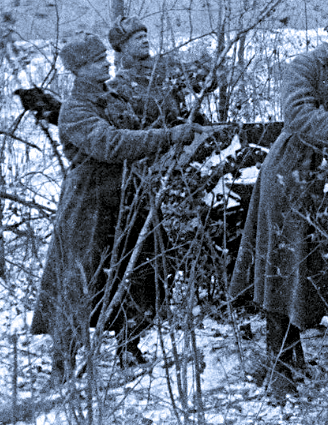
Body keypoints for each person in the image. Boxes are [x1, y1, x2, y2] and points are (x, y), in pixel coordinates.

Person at [31, 33, 205, 382]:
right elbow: (110, 144)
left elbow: (142, 124)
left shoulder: (111, 98)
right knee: (79, 279)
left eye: (103, 57)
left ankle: (130, 345)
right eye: (96, 61)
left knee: (149, 268)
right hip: (90, 201)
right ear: (78, 70)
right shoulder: (76, 109)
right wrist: (169, 136)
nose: (105, 62)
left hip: (130, 194)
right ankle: (63, 363)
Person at [228, 6, 328, 398]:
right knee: (283, 264)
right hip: (292, 175)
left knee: (319, 265)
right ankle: (279, 365)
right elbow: (297, 115)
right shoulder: (304, 66)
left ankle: (296, 356)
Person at [107, 16, 206, 127]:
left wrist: (207, 70)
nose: (145, 41)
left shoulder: (165, 65)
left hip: (186, 134)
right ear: (124, 45)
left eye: (145, 36)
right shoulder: (117, 86)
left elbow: (204, 81)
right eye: (138, 38)